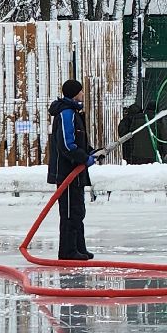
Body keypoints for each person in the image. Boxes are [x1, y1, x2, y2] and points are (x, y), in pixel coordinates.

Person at [46, 79, 98, 261]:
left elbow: (77, 141)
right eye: (81, 92)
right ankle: (68, 251)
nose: (83, 95)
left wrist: (90, 151)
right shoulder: (66, 113)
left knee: (77, 211)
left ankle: (79, 248)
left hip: (76, 173)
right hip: (67, 172)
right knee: (69, 212)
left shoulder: (74, 113)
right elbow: (67, 145)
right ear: (75, 93)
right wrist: (83, 158)